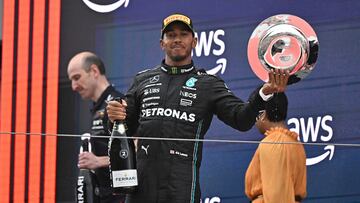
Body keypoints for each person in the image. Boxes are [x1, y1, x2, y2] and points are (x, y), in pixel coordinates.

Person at [106, 13, 289, 203]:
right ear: (162, 43)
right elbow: (123, 127)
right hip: (142, 186)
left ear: (194, 41)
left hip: (181, 186)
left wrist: (264, 93)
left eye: (183, 34)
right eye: (170, 35)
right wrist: (113, 117)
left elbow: (241, 119)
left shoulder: (208, 84)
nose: (177, 39)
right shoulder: (142, 80)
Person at [67, 51, 125, 203]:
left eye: (77, 78)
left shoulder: (116, 104)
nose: (73, 86)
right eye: (71, 80)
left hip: (120, 196)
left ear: (94, 71)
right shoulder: (98, 107)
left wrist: (99, 161)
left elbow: (138, 150)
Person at [245, 92, 307, 203]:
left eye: (254, 112)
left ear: (262, 115)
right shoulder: (294, 143)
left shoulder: (274, 143)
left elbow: (277, 192)